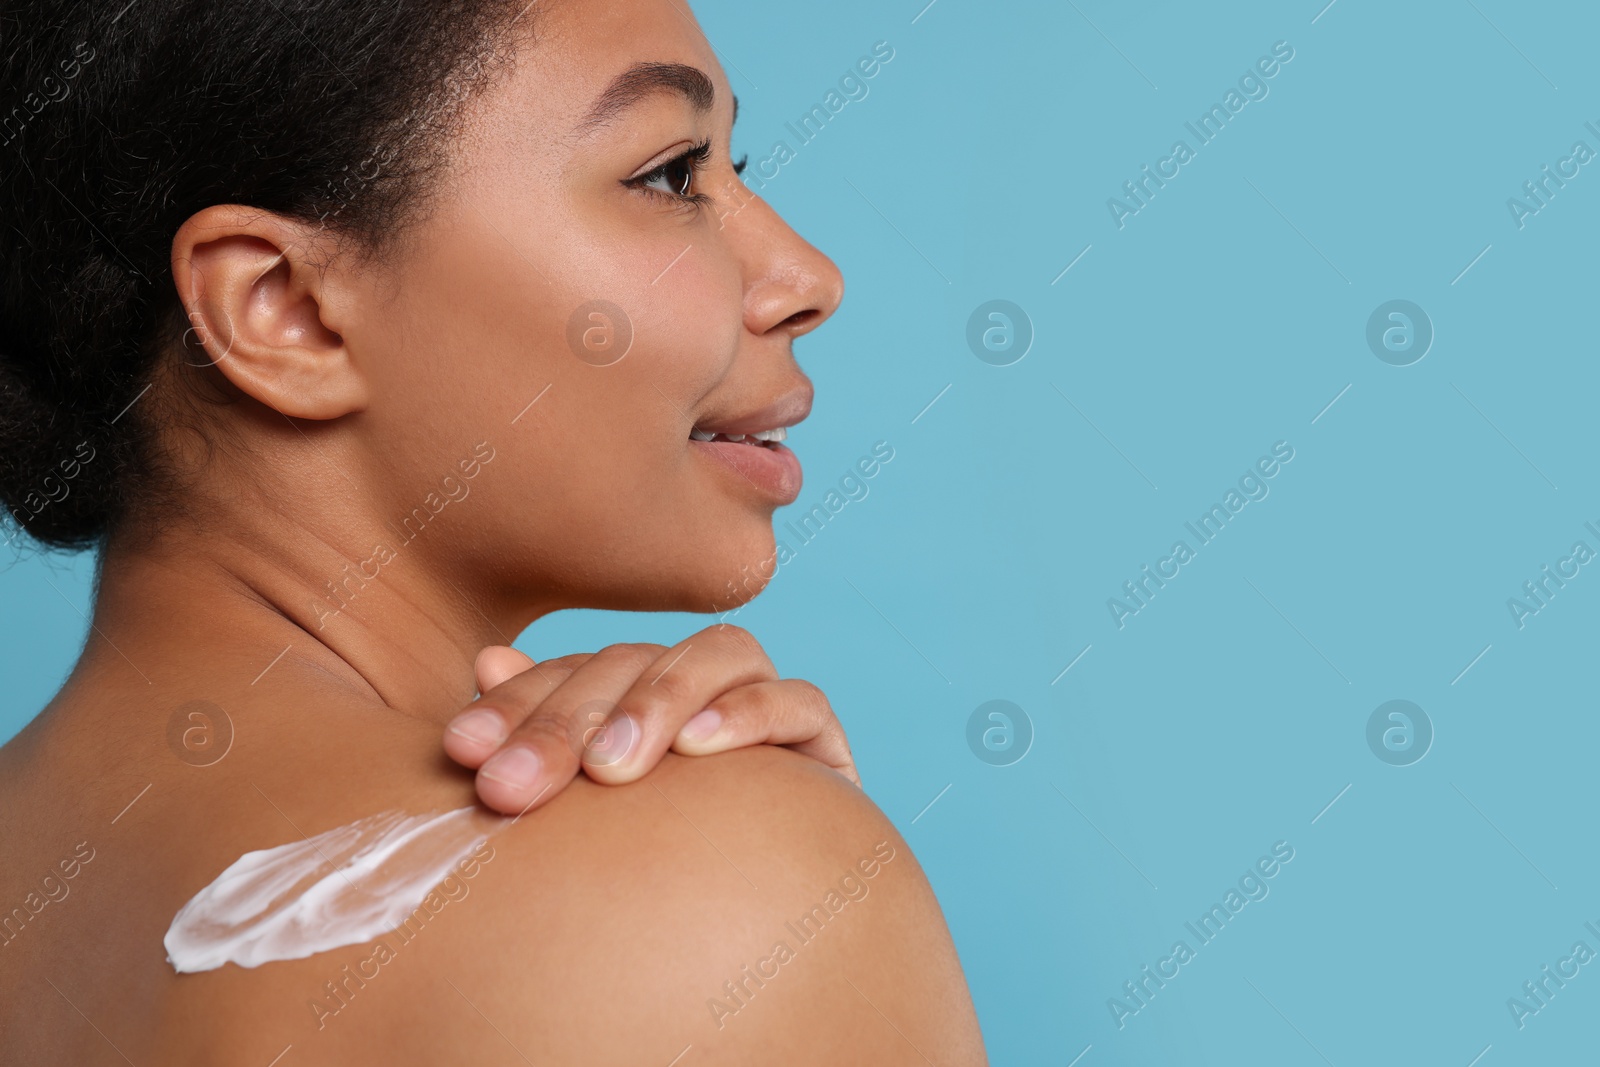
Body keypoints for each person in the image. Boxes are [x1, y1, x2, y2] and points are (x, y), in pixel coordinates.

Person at [0, 0, 988, 1062]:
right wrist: (791, 875)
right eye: (669, 175)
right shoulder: (706, 893)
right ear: (285, 307)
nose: (807, 279)